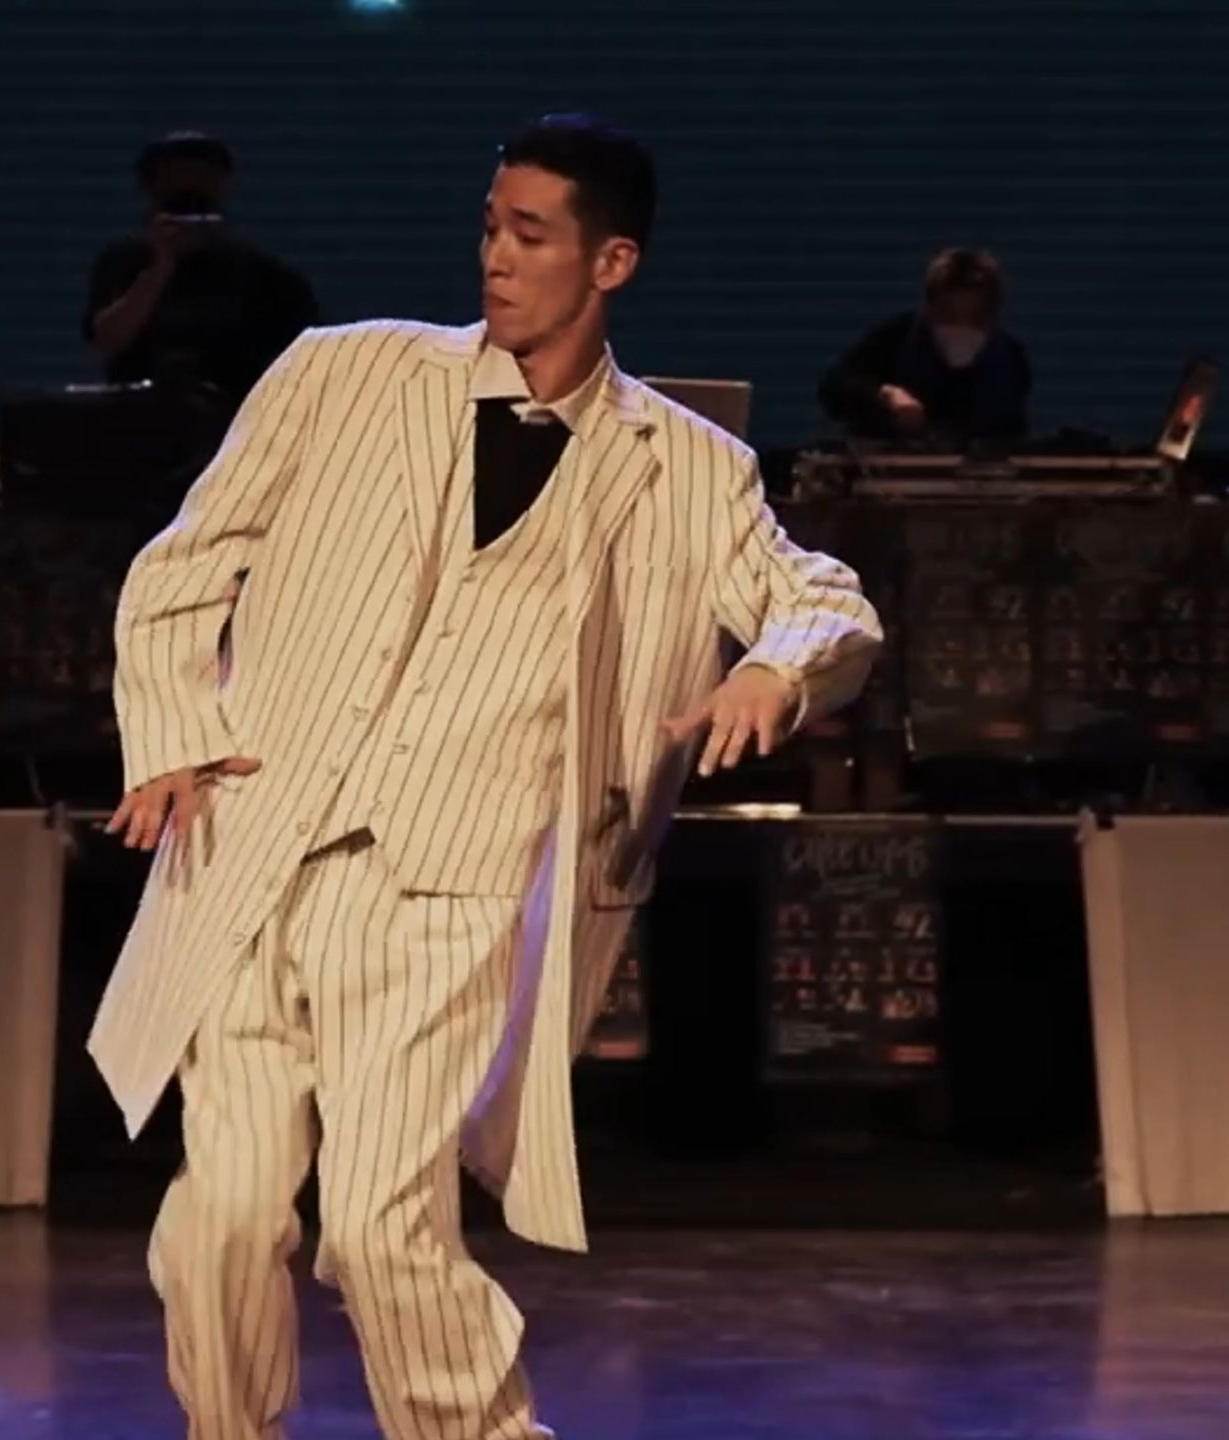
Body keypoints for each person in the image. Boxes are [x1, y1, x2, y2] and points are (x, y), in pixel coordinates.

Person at [90, 115, 882, 1439]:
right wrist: (170, 733)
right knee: (220, 1221)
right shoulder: (341, 373)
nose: (496, 257)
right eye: (489, 227)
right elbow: (182, 567)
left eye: (531, 234)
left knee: (379, 1229)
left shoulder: (687, 464)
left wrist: (776, 670)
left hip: (452, 891)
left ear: (611, 261)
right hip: (253, 844)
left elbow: (825, 600)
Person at [82, 130, 320, 408]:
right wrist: (159, 268)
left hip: (232, 417)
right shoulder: (123, 264)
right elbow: (106, 341)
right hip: (138, 416)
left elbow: (303, 359)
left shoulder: (265, 276)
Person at [819, 246, 1032, 443]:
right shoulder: (896, 338)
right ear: (929, 307)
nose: (961, 326)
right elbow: (834, 388)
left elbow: (1013, 434)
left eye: (976, 317)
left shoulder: (1010, 359)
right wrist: (886, 395)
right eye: (949, 315)